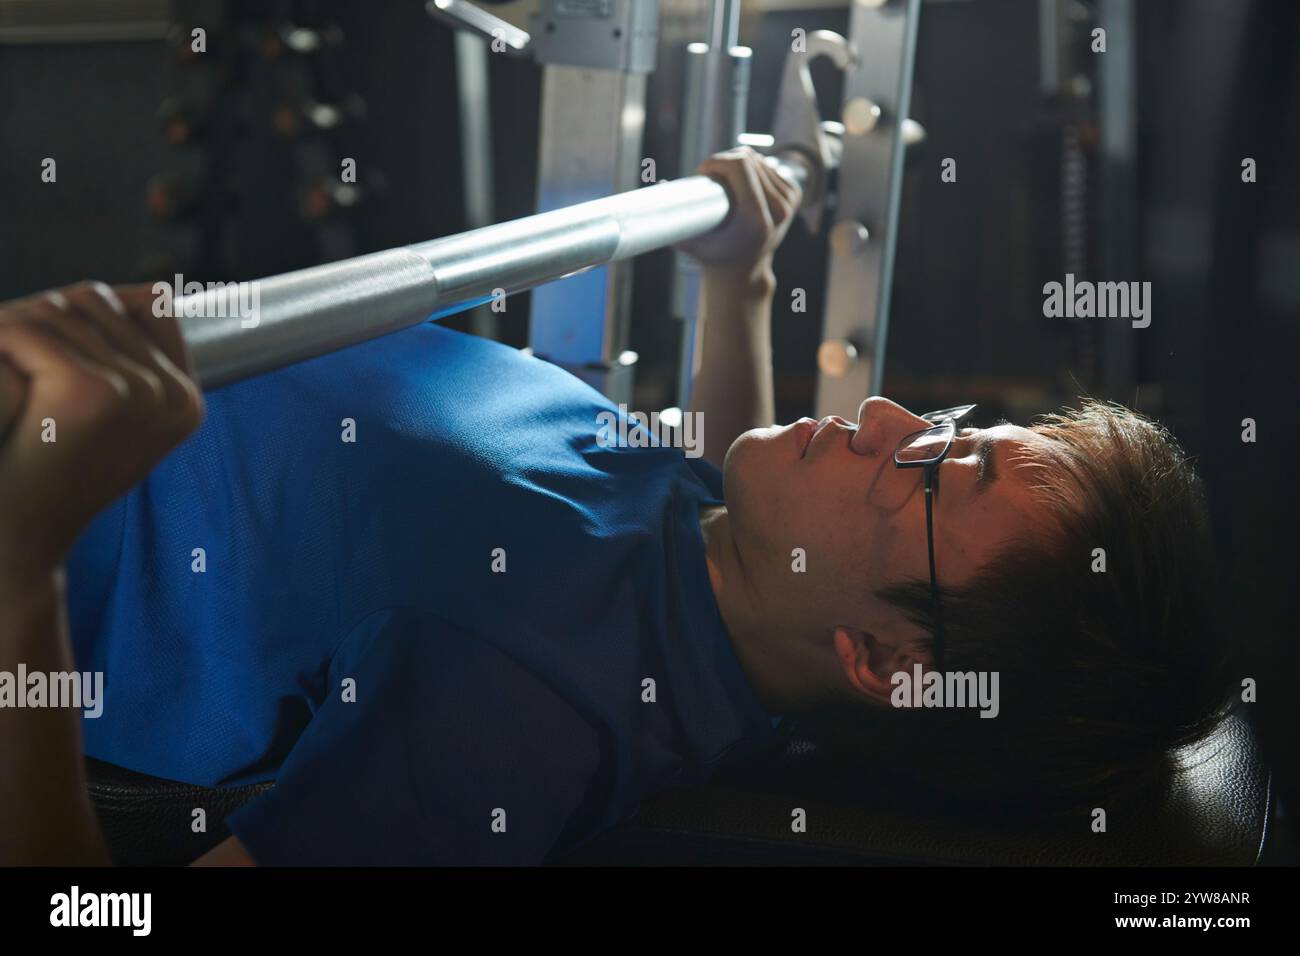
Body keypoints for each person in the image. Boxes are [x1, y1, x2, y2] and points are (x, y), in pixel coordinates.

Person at [0, 149, 1233, 865]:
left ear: (882, 658)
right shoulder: (736, 594)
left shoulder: (522, 706)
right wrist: (736, 278)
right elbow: (700, 486)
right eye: (957, 433)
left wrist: (26, 549)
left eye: (927, 475)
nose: (888, 417)